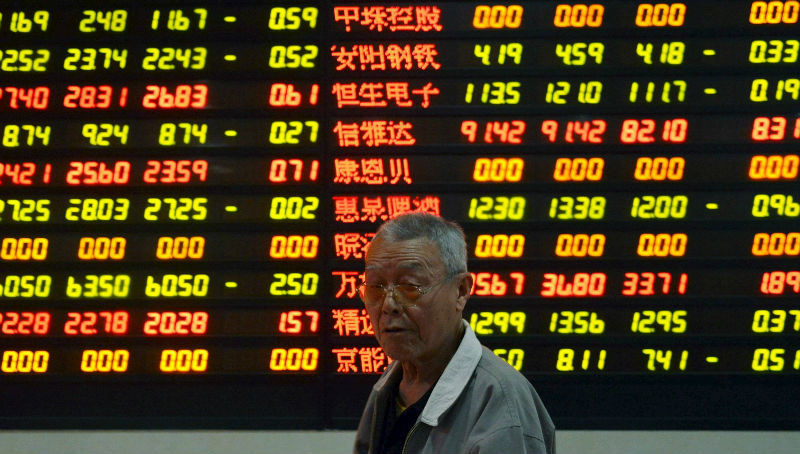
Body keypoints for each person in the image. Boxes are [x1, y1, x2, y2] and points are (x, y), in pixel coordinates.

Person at [354, 212, 555, 454]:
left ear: (461, 291)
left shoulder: (500, 403)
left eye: (410, 286)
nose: (388, 305)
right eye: (375, 287)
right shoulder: (388, 388)